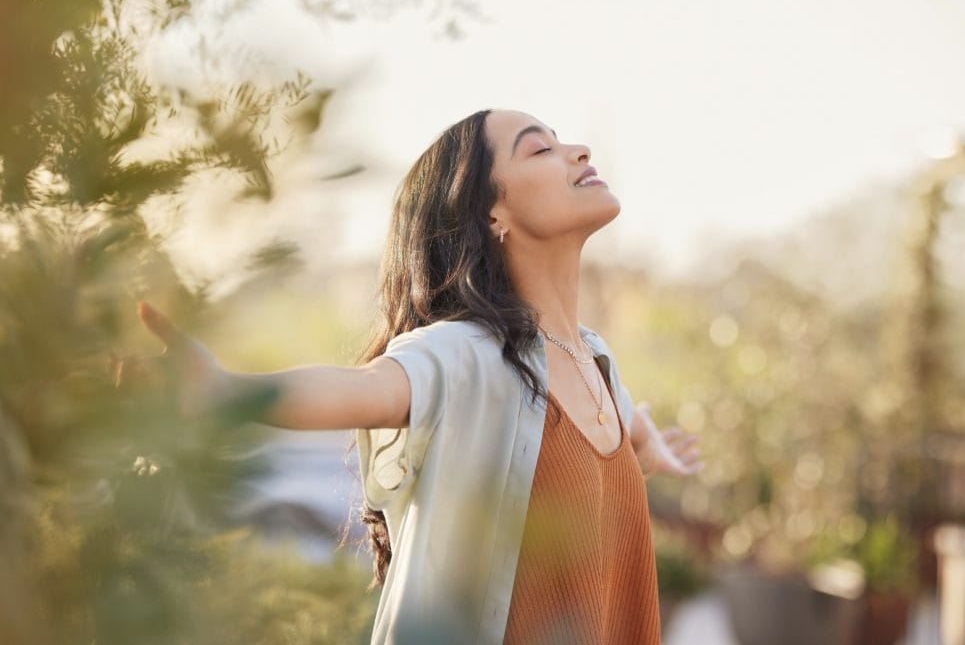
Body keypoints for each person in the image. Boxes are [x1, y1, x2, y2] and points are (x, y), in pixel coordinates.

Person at [135, 109, 703, 645]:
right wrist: (227, 392)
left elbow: (618, 422)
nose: (578, 152)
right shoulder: (467, 353)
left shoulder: (596, 361)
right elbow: (365, 390)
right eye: (541, 149)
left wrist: (646, 443)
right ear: (492, 214)